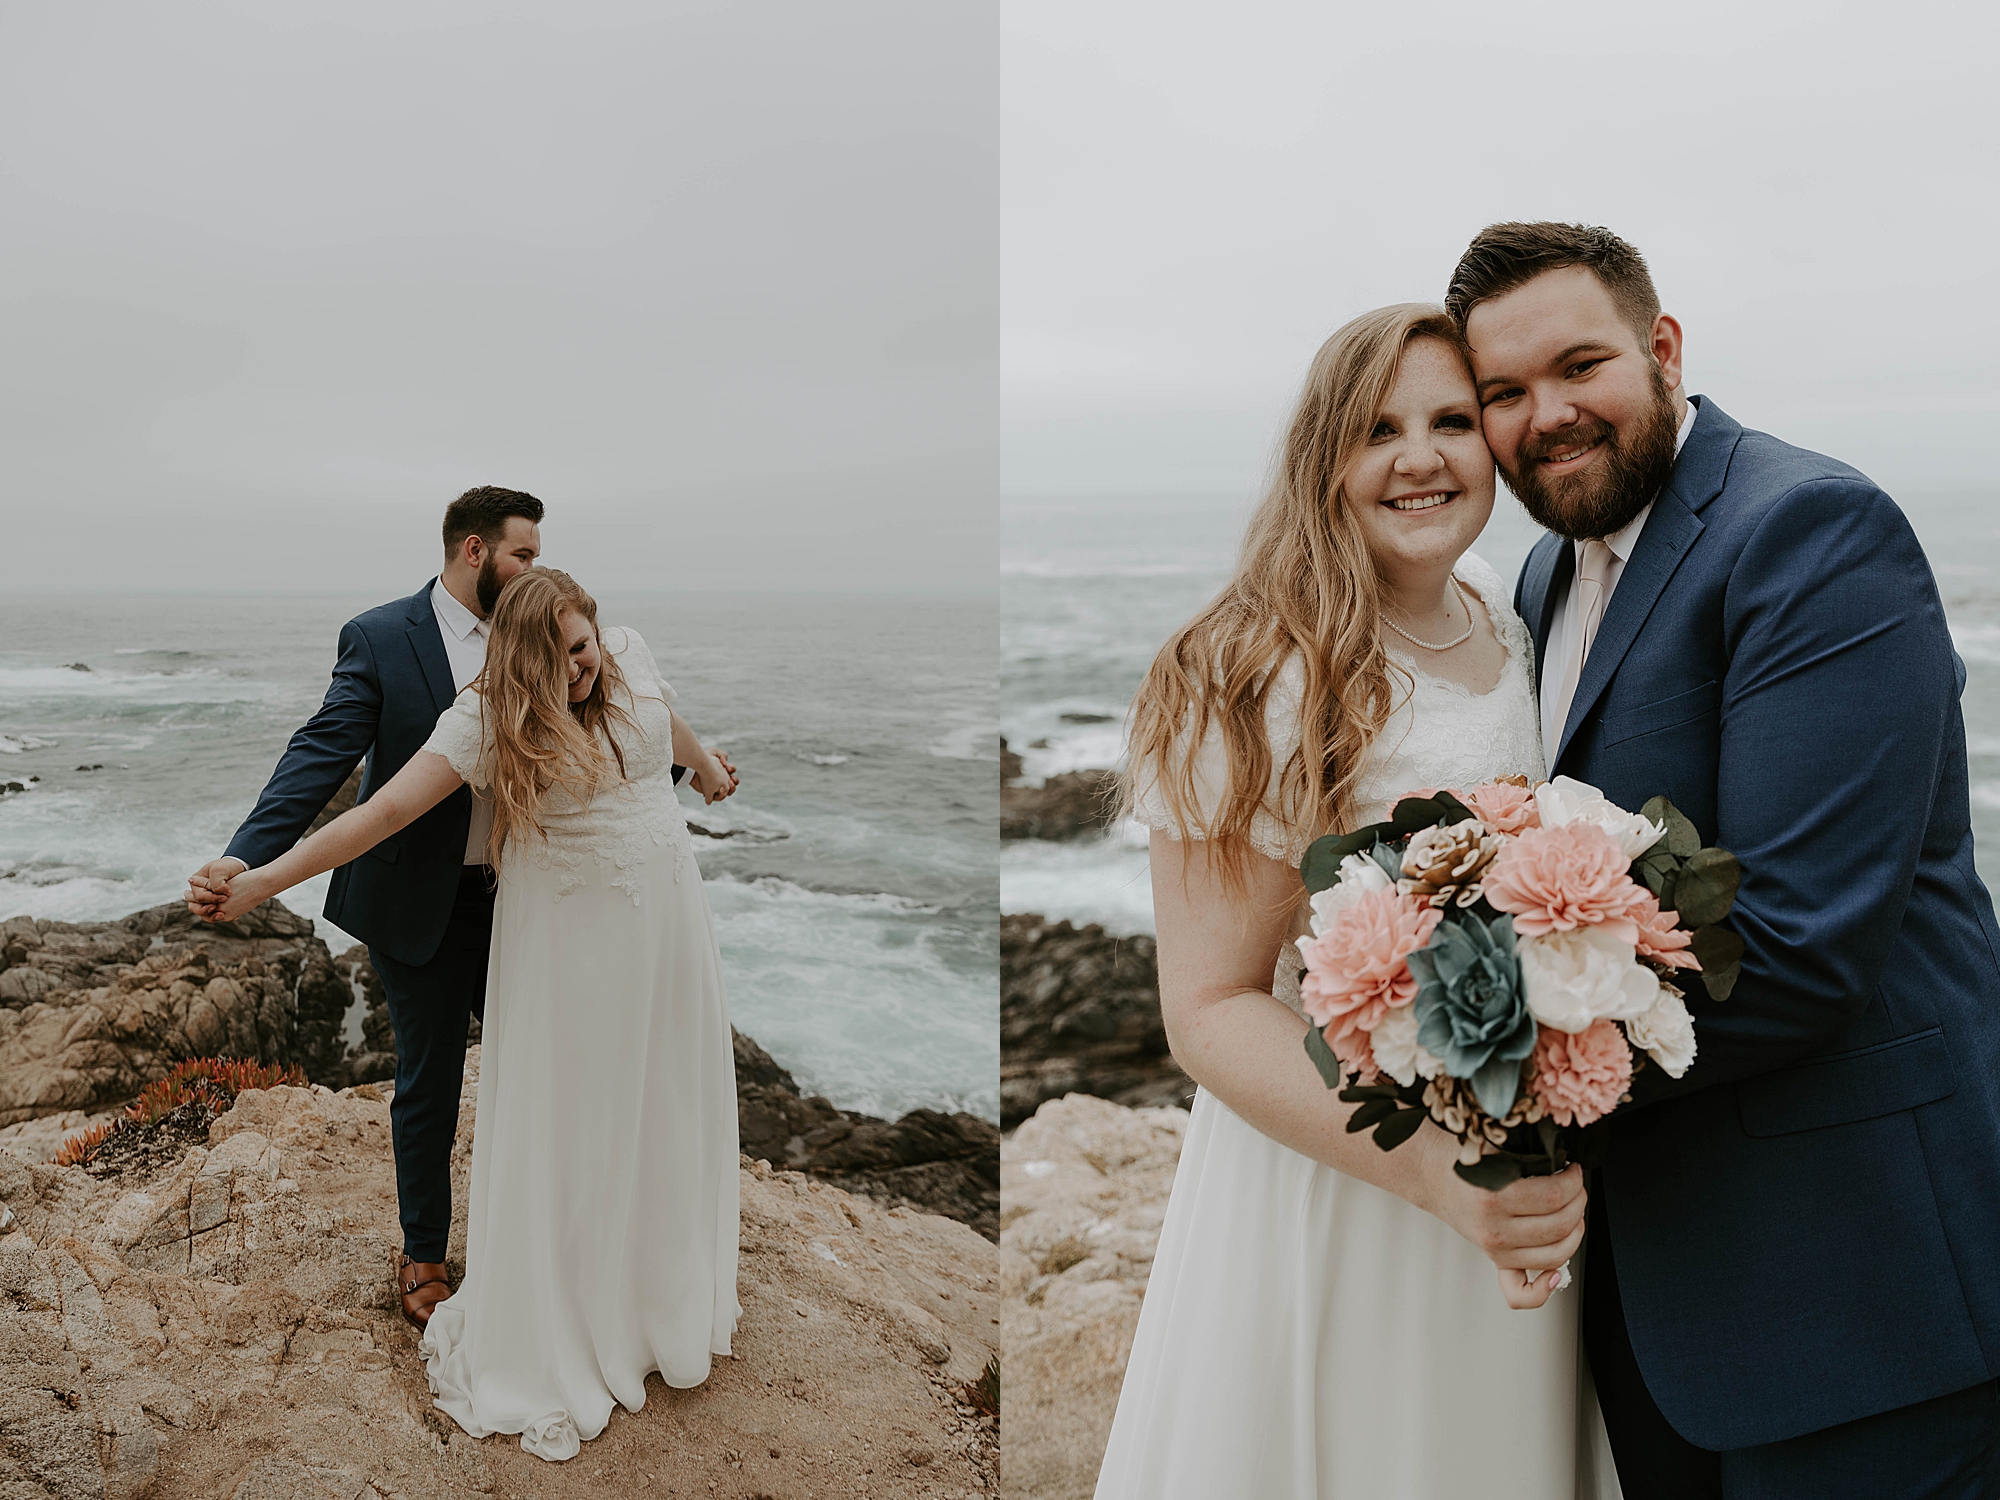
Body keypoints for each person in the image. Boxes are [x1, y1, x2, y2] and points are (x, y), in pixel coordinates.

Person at [1452, 222, 2000, 1499]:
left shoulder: (1806, 529)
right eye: (1502, 393)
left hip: (1856, 1289)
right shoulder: (1541, 571)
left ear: (1661, 348)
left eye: (1577, 365)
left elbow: (1803, 952)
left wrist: (1464, 1070)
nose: (1546, 415)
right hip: (1659, 1293)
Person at [1094, 305, 1612, 1498]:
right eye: (1378, 429)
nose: (1420, 457)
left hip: (1505, 1142)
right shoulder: (1253, 667)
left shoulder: (1495, 602)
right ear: (1321, 456)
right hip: (1346, 1174)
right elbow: (1210, 1005)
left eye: (1448, 419)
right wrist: (1434, 1174)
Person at [198, 566, 741, 1461]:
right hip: (576, 942)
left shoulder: (628, 653)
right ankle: (571, 1310)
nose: (580, 668)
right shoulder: (488, 715)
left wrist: (711, 768)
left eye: (584, 644)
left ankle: (655, 1299)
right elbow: (380, 813)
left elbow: (660, 716)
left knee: (664, 1098)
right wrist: (259, 880)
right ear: (517, 660)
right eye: (559, 658)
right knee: (583, 1116)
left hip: (670, 926)